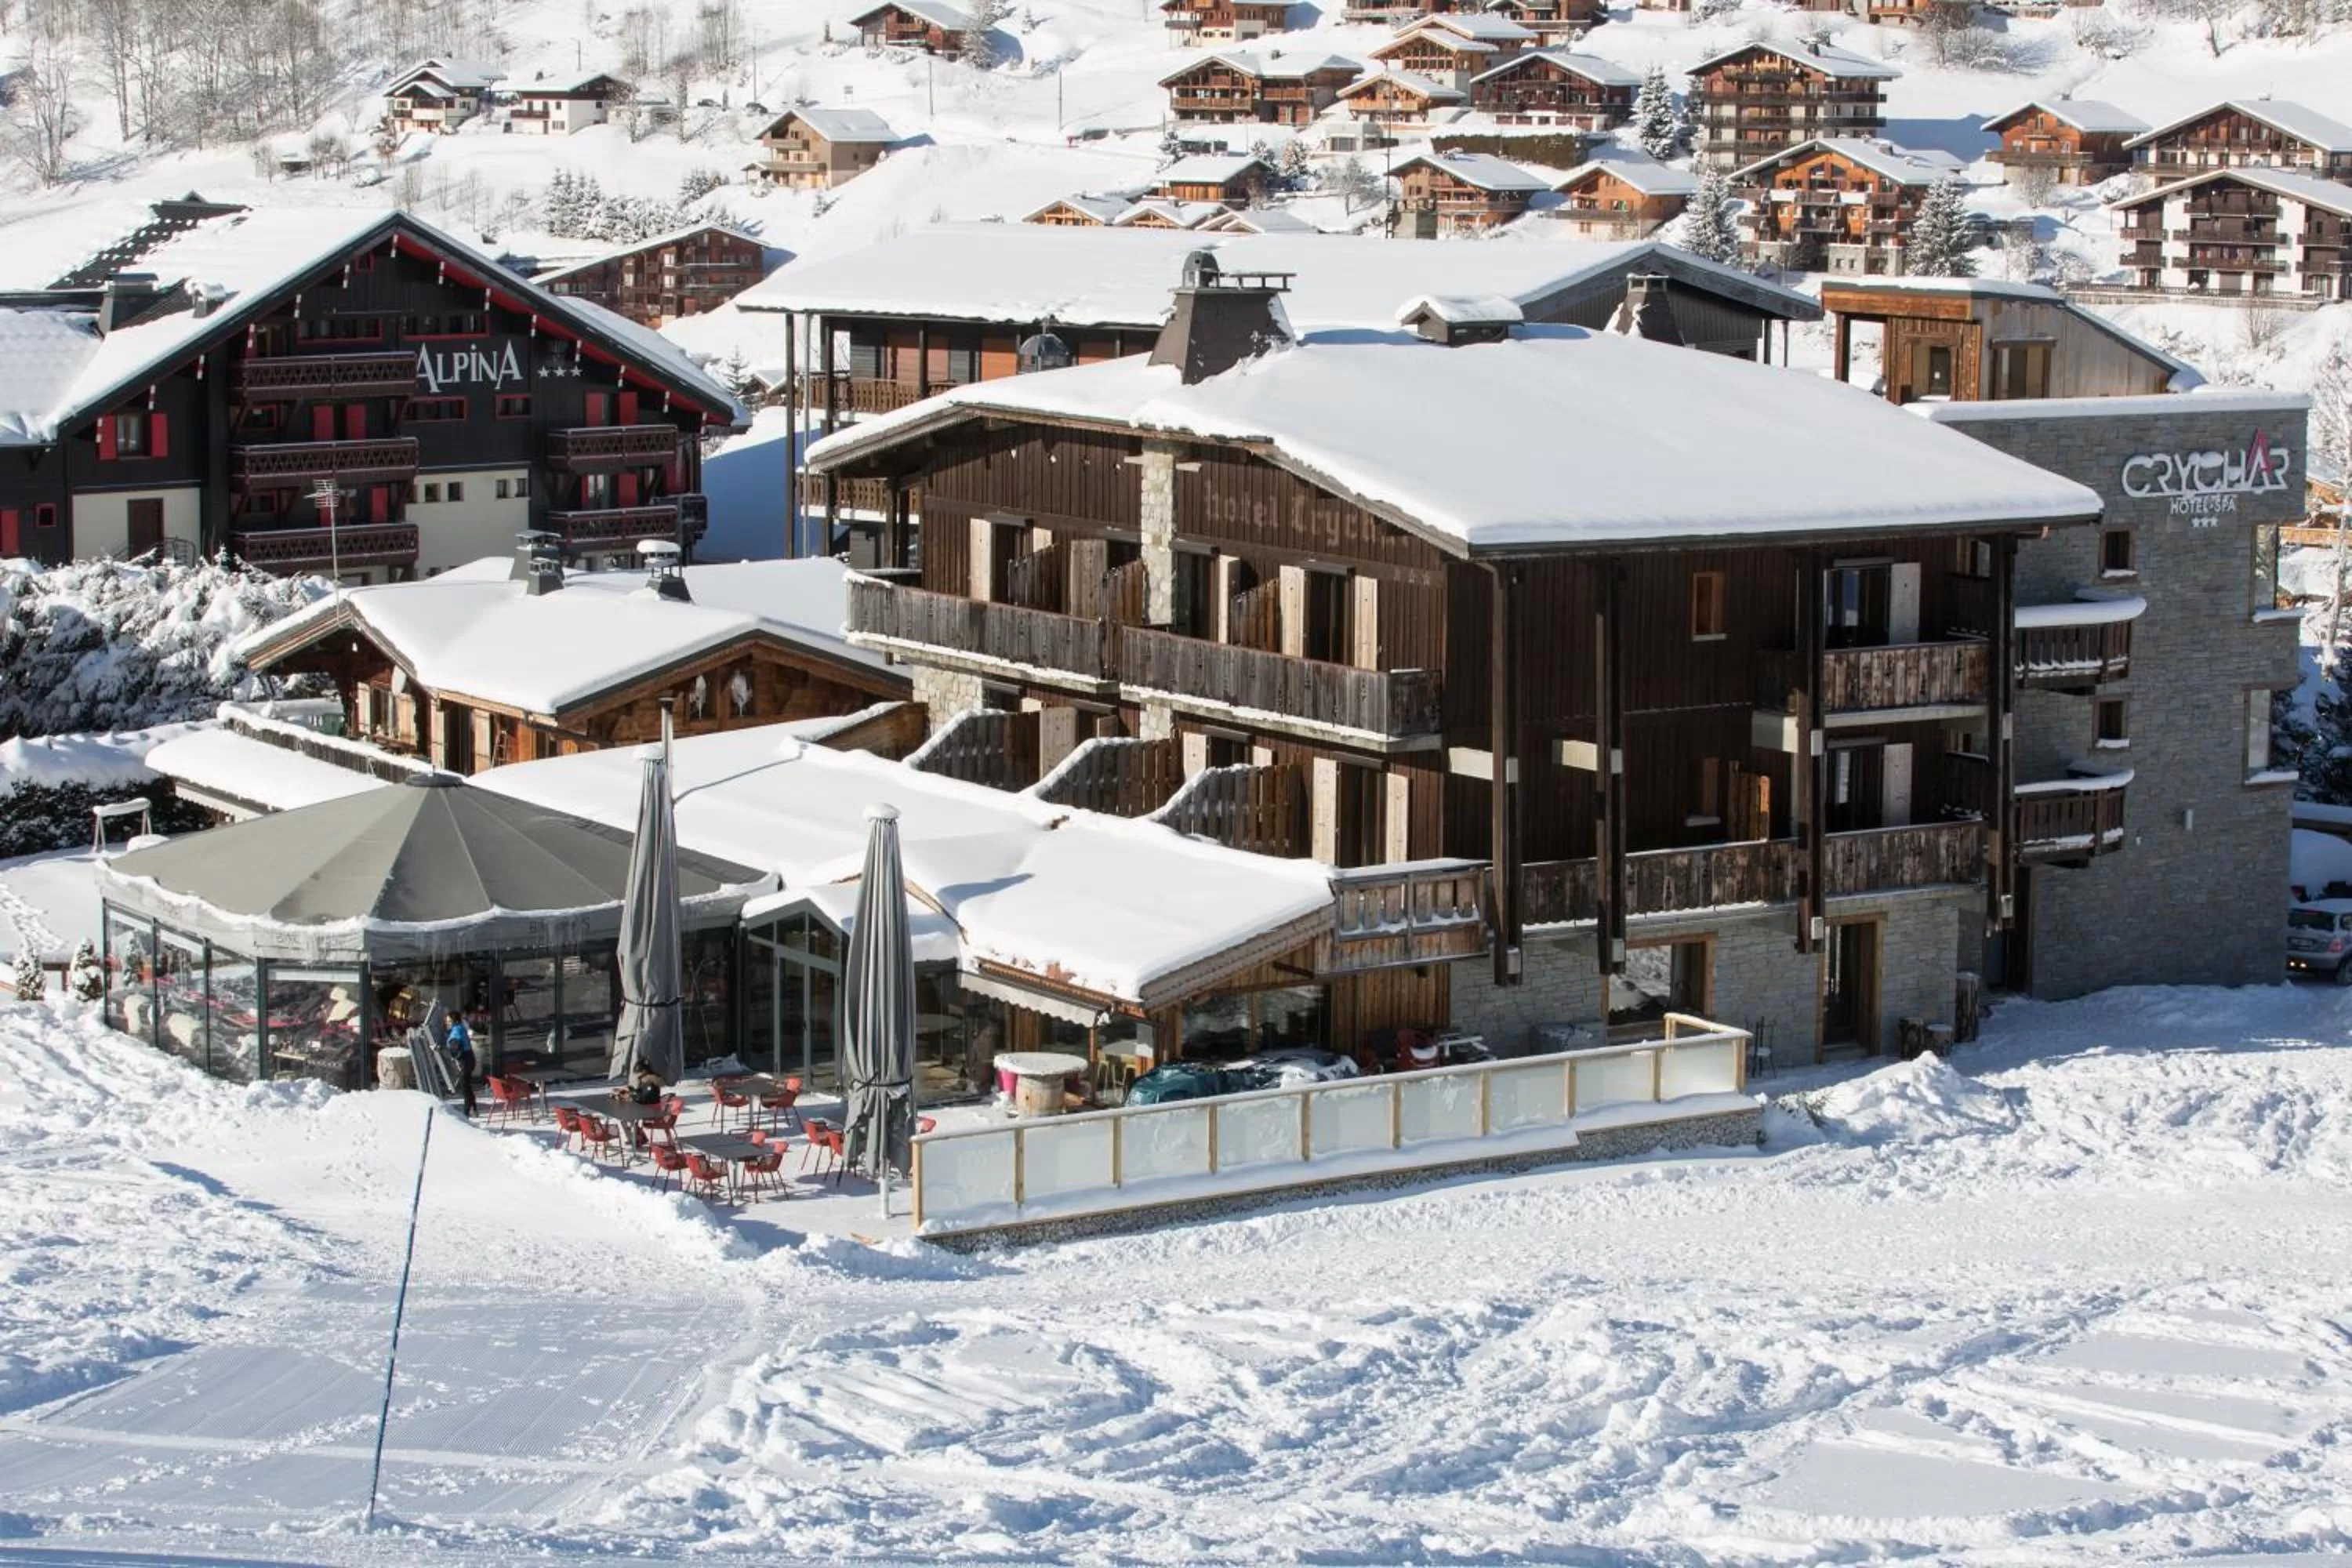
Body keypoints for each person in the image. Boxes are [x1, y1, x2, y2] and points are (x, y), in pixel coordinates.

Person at [443, 1011, 479, 1117]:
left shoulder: (456, 1032)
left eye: (449, 1021)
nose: (446, 1023)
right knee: (467, 1086)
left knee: (465, 1088)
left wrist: (444, 1050)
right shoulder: (459, 1028)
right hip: (469, 1059)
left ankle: (466, 1114)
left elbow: (455, 1049)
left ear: (454, 1021)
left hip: (465, 1061)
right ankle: (474, 1109)